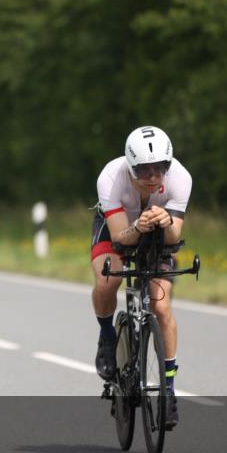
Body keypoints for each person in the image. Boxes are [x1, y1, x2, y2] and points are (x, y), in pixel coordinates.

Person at [91, 126, 192, 428]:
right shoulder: (111, 178)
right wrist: (137, 227)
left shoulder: (180, 178)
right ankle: (107, 336)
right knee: (108, 280)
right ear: (130, 166)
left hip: (158, 231)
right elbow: (119, 238)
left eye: (160, 168)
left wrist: (166, 222)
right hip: (118, 227)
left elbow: (174, 237)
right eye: (144, 170)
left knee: (161, 305)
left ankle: (168, 390)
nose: (152, 176)